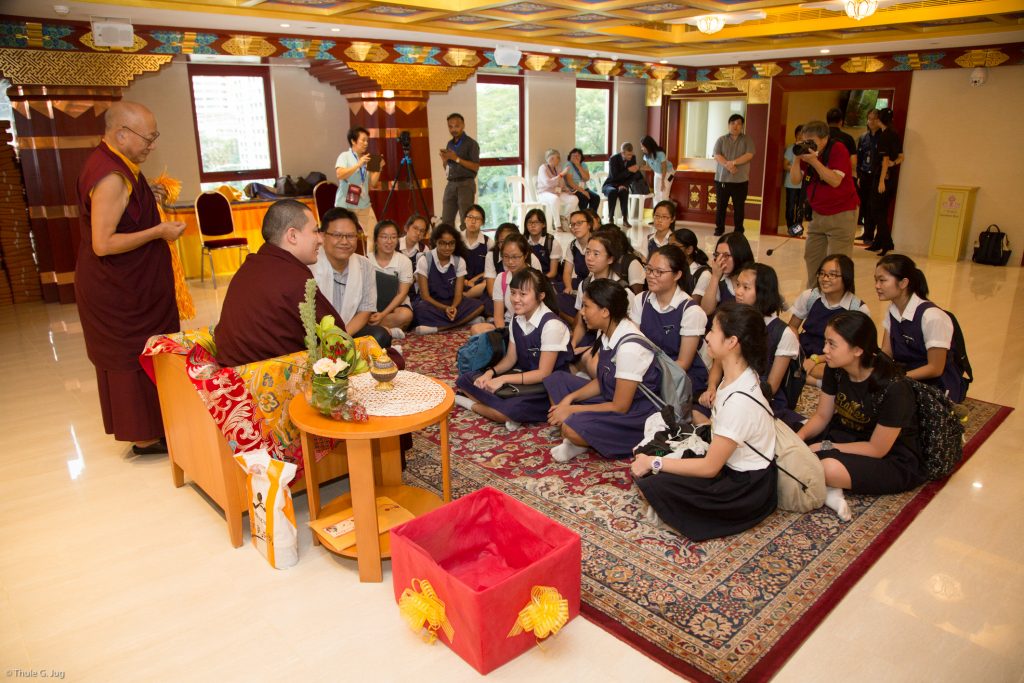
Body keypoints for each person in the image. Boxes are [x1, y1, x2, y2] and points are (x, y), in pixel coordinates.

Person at [74, 100, 186, 455]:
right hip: (119, 289)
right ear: (122, 134)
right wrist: (159, 231)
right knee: (131, 358)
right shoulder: (110, 176)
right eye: (148, 138)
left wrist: (147, 196)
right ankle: (144, 435)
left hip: (132, 284)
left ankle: (152, 425)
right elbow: (103, 243)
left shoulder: (117, 164)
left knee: (147, 352)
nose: (152, 146)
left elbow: (123, 212)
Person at [632, 302, 778, 541]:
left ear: (732, 342)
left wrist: (655, 463)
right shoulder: (738, 375)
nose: (706, 336)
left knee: (656, 479)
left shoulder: (739, 401)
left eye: (713, 331)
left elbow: (710, 468)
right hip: (732, 463)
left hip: (745, 488)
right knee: (659, 446)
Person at [797, 311, 925, 522]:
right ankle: (828, 484)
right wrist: (798, 440)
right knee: (785, 433)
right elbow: (822, 416)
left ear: (857, 349)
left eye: (832, 344)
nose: (824, 350)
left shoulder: (894, 388)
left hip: (891, 458)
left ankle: (830, 487)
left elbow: (877, 448)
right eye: (825, 342)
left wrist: (825, 446)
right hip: (848, 436)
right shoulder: (835, 368)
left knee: (825, 466)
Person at [544, 279, 661, 462]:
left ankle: (579, 439)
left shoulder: (630, 348)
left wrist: (572, 410)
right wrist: (570, 399)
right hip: (610, 394)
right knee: (555, 380)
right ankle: (583, 437)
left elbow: (620, 406)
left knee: (571, 427)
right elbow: (602, 380)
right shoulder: (606, 331)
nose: (582, 312)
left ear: (605, 311)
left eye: (586, 307)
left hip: (635, 413)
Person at [216, 199, 337, 367]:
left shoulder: (251, 266)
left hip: (231, 373)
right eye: (315, 231)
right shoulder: (293, 277)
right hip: (262, 381)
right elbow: (336, 336)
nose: (320, 240)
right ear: (292, 235)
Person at [455, 268, 572, 431]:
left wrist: (504, 380)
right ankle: (497, 407)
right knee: (466, 379)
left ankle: (467, 402)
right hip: (522, 378)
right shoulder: (517, 320)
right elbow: (510, 358)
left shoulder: (552, 325)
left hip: (547, 387)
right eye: (513, 293)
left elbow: (543, 373)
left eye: (523, 294)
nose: (515, 299)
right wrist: (491, 373)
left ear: (541, 296)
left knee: (507, 412)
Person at [875, 254, 965, 402]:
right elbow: (886, 353)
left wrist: (897, 379)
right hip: (905, 376)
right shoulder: (892, 310)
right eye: (876, 280)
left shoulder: (932, 316)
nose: (877, 286)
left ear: (903, 283)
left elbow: (935, 368)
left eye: (882, 280)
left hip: (937, 384)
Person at [630, 245, 709, 398]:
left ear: (677, 275)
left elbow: (683, 364)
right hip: (648, 370)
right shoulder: (641, 300)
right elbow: (635, 344)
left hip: (680, 378)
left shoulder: (690, 311)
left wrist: (643, 375)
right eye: (649, 269)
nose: (651, 275)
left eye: (659, 272)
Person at [789, 120, 859, 288]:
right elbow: (795, 179)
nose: (809, 145)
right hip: (817, 214)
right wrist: (797, 159)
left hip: (842, 212)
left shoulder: (838, 149)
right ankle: (814, 295)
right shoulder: (808, 154)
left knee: (838, 264)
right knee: (812, 256)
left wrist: (814, 161)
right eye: (805, 141)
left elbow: (834, 180)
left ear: (825, 138)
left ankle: (838, 301)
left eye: (812, 141)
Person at [310, 207, 391, 349]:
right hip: (316, 334)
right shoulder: (310, 264)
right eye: (337, 235)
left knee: (380, 335)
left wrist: (341, 337)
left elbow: (365, 311)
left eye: (350, 236)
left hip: (349, 332)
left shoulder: (364, 265)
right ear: (322, 236)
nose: (345, 241)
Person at [788, 254, 868, 386]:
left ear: (846, 277)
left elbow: (854, 350)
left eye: (832, 275)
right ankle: (816, 379)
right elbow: (792, 327)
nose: (825, 279)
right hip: (804, 349)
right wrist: (795, 352)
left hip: (833, 357)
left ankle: (810, 378)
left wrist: (816, 360)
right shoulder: (810, 296)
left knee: (841, 369)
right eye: (822, 273)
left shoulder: (858, 309)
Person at [412, 223, 485, 335]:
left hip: (452, 302)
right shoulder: (425, 260)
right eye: (443, 243)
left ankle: (438, 328)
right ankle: (465, 322)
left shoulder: (459, 261)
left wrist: (453, 307)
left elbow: (458, 294)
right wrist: (445, 308)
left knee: (480, 306)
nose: (447, 248)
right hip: (432, 303)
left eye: (451, 244)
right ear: (436, 242)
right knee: (419, 311)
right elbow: (425, 296)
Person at [470, 234, 534, 336]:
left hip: (531, 327)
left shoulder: (534, 277)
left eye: (515, 257)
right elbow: (498, 317)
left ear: (525, 255)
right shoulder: (501, 278)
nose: (510, 262)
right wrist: (502, 333)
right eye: (506, 256)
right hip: (509, 325)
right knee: (476, 329)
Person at [865, 108, 903, 255]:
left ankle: (887, 242)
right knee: (881, 210)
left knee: (877, 211)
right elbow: (901, 157)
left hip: (882, 177)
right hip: (890, 177)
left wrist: (881, 180)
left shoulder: (885, 136)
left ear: (879, 120)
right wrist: (894, 164)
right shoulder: (894, 134)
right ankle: (878, 242)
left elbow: (885, 159)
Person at [367, 219, 414, 340]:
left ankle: (368, 329)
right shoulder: (366, 260)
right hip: (371, 307)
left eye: (393, 237)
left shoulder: (404, 261)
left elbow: (402, 293)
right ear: (376, 239)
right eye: (384, 237)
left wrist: (383, 314)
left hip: (394, 307)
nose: (389, 241)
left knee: (405, 315)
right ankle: (388, 331)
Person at [335, 126, 383, 235]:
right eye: (363, 140)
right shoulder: (344, 156)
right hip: (345, 205)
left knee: (374, 234)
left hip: (364, 205)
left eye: (367, 141)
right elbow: (340, 174)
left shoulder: (367, 159)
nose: (366, 143)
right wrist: (358, 164)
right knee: (344, 235)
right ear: (353, 141)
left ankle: (370, 253)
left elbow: (372, 184)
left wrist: (379, 168)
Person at [712, 113, 755, 236]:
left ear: (742, 126)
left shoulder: (747, 140)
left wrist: (733, 162)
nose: (735, 126)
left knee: (739, 207)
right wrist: (729, 166)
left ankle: (738, 230)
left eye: (739, 123)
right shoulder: (721, 140)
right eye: (733, 123)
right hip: (722, 180)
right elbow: (717, 155)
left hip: (740, 181)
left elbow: (749, 155)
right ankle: (719, 229)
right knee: (721, 206)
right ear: (728, 125)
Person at [698, 231, 754, 319]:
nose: (720, 260)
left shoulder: (755, 277)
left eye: (726, 255)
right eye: (717, 255)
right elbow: (706, 310)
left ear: (739, 255)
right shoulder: (721, 280)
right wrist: (715, 277)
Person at [438, 112, 480, 230]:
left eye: (456, 126)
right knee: (446, 220)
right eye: (450, 127)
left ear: (463, 125)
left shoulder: (471, 144)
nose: (453, 129)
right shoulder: (450, 144)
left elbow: (475, 166)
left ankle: (467, 247)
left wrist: (456, 158)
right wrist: (445, 160)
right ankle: (450, 246)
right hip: (451, 183)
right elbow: (447, 168)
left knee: (465, 220)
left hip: (465, 183)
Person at [536, 149, 579, 231]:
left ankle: (564, 218)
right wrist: (561, 174)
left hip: (557, 192)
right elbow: (547, 183)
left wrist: (567, 190)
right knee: (555, 199)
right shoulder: (542, 168)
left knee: (574, 199)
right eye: (557, 158)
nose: (559, 160)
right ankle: (557, 225)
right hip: (544, 193)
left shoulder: (558, 168)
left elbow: (561, 183)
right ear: (551, 158)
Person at [855, 110, 881, 243]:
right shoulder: (863, 137)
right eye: (869, 119)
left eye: (874, 119)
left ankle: (871, 234)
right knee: (864, 204)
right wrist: (859, 176)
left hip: (877, 176)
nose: (871, 122)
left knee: (873, 205)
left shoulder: (883, 137)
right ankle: (866, 233)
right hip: (864, 175)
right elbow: (859, 159)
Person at [603, 142, 641, 227]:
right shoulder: (613, 159)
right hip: (610, 184)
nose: (630, 157)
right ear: (622, 153)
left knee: (624, 191)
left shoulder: (633, 158)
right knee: (612, 192)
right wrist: (628, 170)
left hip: (623, 184)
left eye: (631, 154)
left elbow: (633, 175)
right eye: (628, 155)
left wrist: (624, 184)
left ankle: (625, 219)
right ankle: (611, 219)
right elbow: (614, 176)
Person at [461, 204, 492, 303]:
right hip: (459, 281)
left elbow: (490, 269)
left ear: (482, 222)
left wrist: (473, 280)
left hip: (478, 283)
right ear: (464, 219)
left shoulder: (489, 243)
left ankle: (466, 297)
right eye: (470, 217)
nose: (473, 221)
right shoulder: (456, 240)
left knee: (488, 283)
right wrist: (464, 281)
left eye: (477, 218)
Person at [524, 207, 562, 284]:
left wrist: (537, 280)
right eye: (529, 222)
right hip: (527, 278)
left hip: (547, 278)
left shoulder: (552, 242)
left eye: (536, 222)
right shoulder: (523, 241)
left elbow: (553, 272)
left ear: (543, 224)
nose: (532, 225)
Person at [670, 228, 711, 300]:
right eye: (668, 246)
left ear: (689, 250)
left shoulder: (704, 274)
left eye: (674, 246)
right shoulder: (671, 267)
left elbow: (694, 304)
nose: (669, 250)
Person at [782, 124, 806, 237]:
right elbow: (785, 165)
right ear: (796, 135)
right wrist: (796, 170)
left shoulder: (808, 149)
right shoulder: (791, 148)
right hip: (791, 183)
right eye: (800, 133)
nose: (802, 136)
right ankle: (790, 228)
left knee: (801, 208)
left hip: (804, 184)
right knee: (791, 207)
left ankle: (798, 230)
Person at [563, 148, 601, 213]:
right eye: (574, 155)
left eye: (578, 155)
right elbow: (570, 183)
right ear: (570, 157)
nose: (576, 157)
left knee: (596, 197)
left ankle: (591, 217)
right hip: (574, 189)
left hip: (584, 188)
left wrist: (578, 166)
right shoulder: (568, 165)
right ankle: (583, 217)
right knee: (584, 198)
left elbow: (586, 178)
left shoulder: (583, 164)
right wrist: (583, 191)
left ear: (581, 157)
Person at [640, 135, 674, 204]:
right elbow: (649, 167)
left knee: (664, 195)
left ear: (648, 146)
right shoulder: (646, 156)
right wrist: (639, 167)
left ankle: (664, 213)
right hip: (657, 173)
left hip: (668, 173)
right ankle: (656, 213)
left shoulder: (660, 154)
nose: (641, 148)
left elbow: (664, 168)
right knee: (656, 195)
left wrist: (662, 182)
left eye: (642, 146)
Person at [826, 107, 858, 177]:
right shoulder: (848, 138)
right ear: (841, 122)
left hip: (824, 174)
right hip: (843, 175)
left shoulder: (822, 137)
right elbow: (853, 162)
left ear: (827, 122)